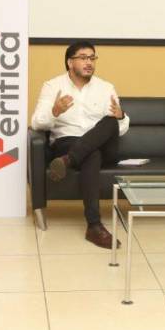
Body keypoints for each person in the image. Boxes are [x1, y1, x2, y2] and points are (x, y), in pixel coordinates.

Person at [31, 41, 129, 248]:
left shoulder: (106, 87)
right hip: (68, 142)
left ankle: (67, 162)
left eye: (92, 58)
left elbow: (120, 128)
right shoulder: (53, 86)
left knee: (110, 121)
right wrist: (54, 112)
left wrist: (121, 117)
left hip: (104, 146)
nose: (89, 62)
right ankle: (94, 226)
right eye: (83, 58)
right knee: (91, 155)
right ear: (69, 62)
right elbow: (36, 122)